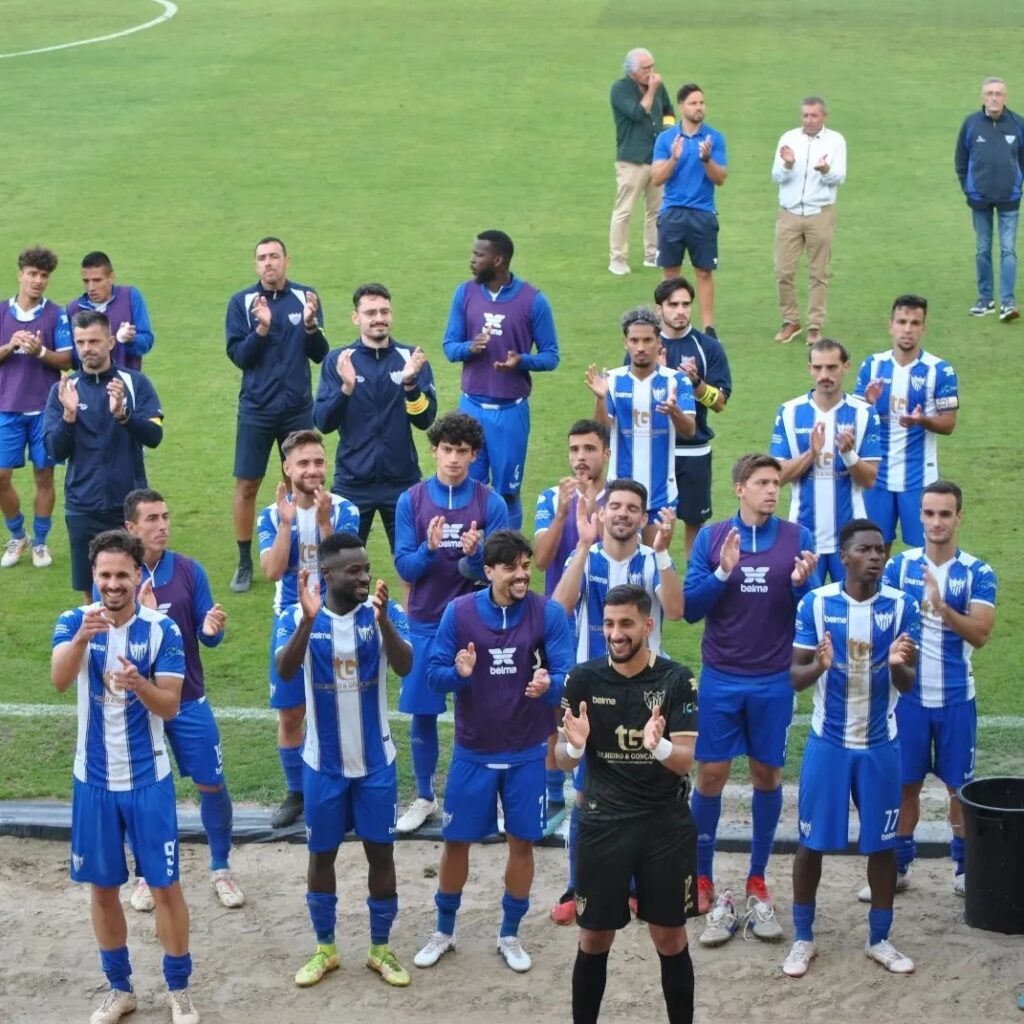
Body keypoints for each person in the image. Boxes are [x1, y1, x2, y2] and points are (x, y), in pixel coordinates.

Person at [51, 530, 199, 1024]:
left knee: (165, 887)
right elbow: (58, 678)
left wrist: (138, 683)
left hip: (147, 782)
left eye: (122, 575)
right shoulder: (74, 622)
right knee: (102, 889)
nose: (113, 585)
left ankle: (178, 991)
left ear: (139, 576)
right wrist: (81, 640)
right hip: (92, 781)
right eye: (105, 576)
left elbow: (172, 705)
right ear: (94, 577)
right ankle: (121, 989)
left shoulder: (163, 631)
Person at [414, 530, 574, 974]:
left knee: (522, 844)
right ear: (488, 572)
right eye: (511, 567)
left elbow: (568, 675)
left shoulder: (548, 614)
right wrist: (460, 673)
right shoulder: (460, 613)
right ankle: (444, 930)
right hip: (473, 752)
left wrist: (550, 687)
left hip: (526, 752)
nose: (522, 574)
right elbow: (433, 675)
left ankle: (510, 934)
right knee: (456, 843)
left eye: (526, 565)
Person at [683, 453, 817, 947]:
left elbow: (816, 610)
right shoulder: (713, 538)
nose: (771, 491)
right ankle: (702, 876)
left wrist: (805, 587)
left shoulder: (796, 539)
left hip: (773, 680)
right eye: (761, 482)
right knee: (711, 775)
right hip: (721, 677)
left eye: (775, 483)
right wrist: (722, 573)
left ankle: (757, 876)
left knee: (767, 775)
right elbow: (690, 609)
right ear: (739, 488)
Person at [274, 533, 414, 990]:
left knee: (381, 852)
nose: (364, 575)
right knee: (322, 854)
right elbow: (285, 670)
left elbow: (406, 666)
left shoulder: (381, 613)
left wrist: (386, 623)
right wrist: (306, 623)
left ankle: (379, 949)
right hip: (323, 764)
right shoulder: (299, 614)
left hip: (376, 763)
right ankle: (326, 949)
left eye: (366, 567)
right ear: (327, 574)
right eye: (353, 570)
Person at [784, 519, 921, 979]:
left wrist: (901, 665)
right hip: (830, 743)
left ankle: (879, 938)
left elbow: (907, 682)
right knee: (811, 844)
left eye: (881, 549)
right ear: (844, 557)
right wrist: (820, 666)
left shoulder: (902, 606)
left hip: (881, 744)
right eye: (866, 549)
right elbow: (795, 677)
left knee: (883, 845)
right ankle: (803, 938)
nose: (877, 557)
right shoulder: (817, 605)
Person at [558, 584, 699, 1024]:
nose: (616, 634)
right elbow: (558, 757)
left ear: (648, 625)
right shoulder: (582, 678)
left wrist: (657, 748)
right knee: (594, 940)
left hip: (665, 825)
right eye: (609, 624)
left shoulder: (676, 679)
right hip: (603, 824)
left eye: (626, 624)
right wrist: (576, 749)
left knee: (670, 938)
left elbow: (684, 762)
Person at [549, 479, 683, 926]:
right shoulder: (585, 558)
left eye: (632, 508)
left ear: (643, 518)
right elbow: (559, 608)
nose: (623, 514)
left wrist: (664, 552)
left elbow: (678, 610)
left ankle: (636, 884)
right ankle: (578, 884)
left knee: (647, 789)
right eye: (615, 506)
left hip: (649, 695)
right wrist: (584, 546)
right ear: (602, 514)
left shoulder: (652, 560)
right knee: (586, 792)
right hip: (593, 692)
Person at [856, 481, 997, 902]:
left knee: (960, 788)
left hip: (956, 698)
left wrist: (942, 608)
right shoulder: (899, 568)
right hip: (909, 701)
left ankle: (963, 867)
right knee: (905, 785)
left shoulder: (978, 572)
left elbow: (982, 633)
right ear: (919, 516)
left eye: (945, 514)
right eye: (930, 513)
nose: (937, 522)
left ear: (959, 517)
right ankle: (898, 866)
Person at [122, 488, 244, 913]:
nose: (162, 526)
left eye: (166, 517)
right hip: (136, 706)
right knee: (142, 791)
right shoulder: (119, 575)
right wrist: (140, 614)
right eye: (152, 518)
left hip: (188, 700)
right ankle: (145, 873)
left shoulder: (190, 572)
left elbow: (211, 634)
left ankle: (221, 867)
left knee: (211, 781)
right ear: (131, 528)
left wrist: (211, 628)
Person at [393, 411, 509, 833]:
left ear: (475, 455)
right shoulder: (412, 500)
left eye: (462, 451)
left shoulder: (490, 503)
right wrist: (428, 548)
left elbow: (502, 571)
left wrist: (477, 557)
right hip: (425, 622)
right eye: (447, 450)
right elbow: (405, 566)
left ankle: (487, 798)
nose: (454, 459)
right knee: (424, 713)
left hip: (475, 625)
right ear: (434, 451)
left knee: (485, 712)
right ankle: (424, 796)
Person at [257, 429, 359, 829]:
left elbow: (349, 571)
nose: (313, 470)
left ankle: (343, 787)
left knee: (341, 708)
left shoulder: (344, 508)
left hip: (339, 617)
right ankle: (297, 792)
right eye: (304, 463)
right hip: (291, 620)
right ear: (287, 467)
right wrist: (287, 525)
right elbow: (270, 571)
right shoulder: (271, 514)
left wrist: (325, 523)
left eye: (319, 461)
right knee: (290, 712)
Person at [225, 236, 329, 592]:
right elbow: (240, 357)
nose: (268, 263)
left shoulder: (306, 298)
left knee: (310, 481)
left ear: (287, 260)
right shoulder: (242, 303)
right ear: (256, 266)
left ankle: (316, 552)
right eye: (261, 258)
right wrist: (262, 328)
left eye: (274, 256)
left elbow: (319, 354)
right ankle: (244, 561)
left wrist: (312, 325)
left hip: (298, 409)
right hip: (256, 408)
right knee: (247, 483)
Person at [43, 310, 164, 602]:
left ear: (110, 342)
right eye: (80, 342)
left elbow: (154, 436)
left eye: (94, 341)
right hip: (83, 506)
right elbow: (53, 450)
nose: (87, 349)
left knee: (133, 585)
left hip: (127, 505)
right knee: (93, 594)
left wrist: (124, 415)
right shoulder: (63, 391)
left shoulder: (136, 384)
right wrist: (69, 416)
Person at [442, 229, 559, 529]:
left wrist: (522, 361)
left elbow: (551, 355)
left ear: (498, 260)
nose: (472, 260)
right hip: (471, 409)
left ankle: (510, 557)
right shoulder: (464, 293)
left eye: (478, 256)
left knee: (508, 492)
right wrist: (470, 348)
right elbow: (449, 347)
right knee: (469, 489)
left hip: (510, 413)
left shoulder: (534, 300)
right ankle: (470, 559)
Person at [314, 283, 437, 551]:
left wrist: (410, 385)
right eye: (370, 313)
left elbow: (425, 420)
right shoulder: (339, 360)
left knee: (412, 565)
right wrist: (345, 389)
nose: (379, 318)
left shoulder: (411, 358)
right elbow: (323, 422)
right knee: (343, 563)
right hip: (353, 482)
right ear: (356, 317)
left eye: (384, 311)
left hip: (403, 482)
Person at [533, 419, 610, 813]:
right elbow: (541, 559)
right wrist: (563, 515)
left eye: (589, 449)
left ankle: (596, 787)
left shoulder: (621, 499)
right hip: (558, 622)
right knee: (554, 711)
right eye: (575, 449)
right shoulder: (551, 499)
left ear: (606, 454)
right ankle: (552, 794)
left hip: (605, 624)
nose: (581, 457)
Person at [854, 295, 959, 555]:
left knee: (925, 551)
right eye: (902, 321)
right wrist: (867, 404)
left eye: (915, 322)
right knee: (873, 550)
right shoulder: (872, 365)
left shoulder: (939, 370)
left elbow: (948, 424)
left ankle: (924, 597)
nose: (908, 329)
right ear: (891, 325)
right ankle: (875, 597)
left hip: (919, 477)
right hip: (876, 477)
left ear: (924, 328)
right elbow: (855, 424)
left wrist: (921, 420)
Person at [771, 339, 881, 584]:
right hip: (804, 536)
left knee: (855, 608)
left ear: (846, 367)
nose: (824, 375)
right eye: (818, 368)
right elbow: (776, 476)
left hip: (852, 538)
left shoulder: (864, 414)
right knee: (805, 610)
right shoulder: (788, 412)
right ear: (810, 368)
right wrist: (811, 453)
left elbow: (870, 479)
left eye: (832, 367)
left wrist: (849, 455)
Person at [585, 307, 695, 542]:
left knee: (656, 561)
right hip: (619, 493)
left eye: (647, 340)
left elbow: (689, 430)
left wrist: (675, 411)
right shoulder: (612, 380)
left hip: (661, 495)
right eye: (634, 340)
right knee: (617, 562)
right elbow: (602, 431)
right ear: (626, 342)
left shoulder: (677, 381)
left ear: (658, 341)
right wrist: (601, 398)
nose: (641, 347)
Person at [0, 246, 71, 570]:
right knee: (1, 477)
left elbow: (68, 358)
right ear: (20, 275)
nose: (38, 281)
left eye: (44, 276)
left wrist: (40, 350)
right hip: (6, 409)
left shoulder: (57, 314)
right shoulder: (1, 312)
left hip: (44, 409)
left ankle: (40, 542)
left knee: (44, 475)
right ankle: (18, 535)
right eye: (33, 274)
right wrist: (10, 346)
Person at [653, 276, 732, 554]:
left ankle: (691, 589)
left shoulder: (707, 347)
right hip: (656, 447)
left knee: (694, 525)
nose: (681, 310)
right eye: (673, 304)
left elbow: (720, 402)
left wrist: (697, 384)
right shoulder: (645, 345)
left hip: (694, 451)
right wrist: (657, 375)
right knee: (651, 523)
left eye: (686, 304)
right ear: (659, 308)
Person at [651, 84, 727, 335]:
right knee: (671, 272)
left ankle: (708, 328)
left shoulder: (714, 138)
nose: (699, 107)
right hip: (673, 213)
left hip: (703, 214)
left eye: (702, 103)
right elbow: (657, 178)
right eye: (694, 103)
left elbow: (720, 178)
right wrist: (674, 158)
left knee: (704, 272)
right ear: (682, 107)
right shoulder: (666, 139)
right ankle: (667, 323)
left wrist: (707, 160)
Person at [771, 98, 848, 345]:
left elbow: (839, 177)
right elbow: (776, 175)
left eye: (814, 116)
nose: (809, 120)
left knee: (819, 272)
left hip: (819, 213)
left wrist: (825, 170)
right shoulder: (788, 138)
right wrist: (788, 164)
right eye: (805, 115)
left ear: (824, 116)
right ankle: (790, 320)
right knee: (783, 270)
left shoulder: (835, 141)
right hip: (789, 213)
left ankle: (815, 325)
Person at [955, 77, 1024, 322]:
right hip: (979, 199)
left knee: (1008, 251)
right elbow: (961, 160)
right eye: (989, 93)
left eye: (998, 93)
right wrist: (968, 188)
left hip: (1009, 199)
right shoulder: (971, 124)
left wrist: (1017, 185)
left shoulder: (1018, 124)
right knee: (983, 250)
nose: (994, 98)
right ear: (983, 96)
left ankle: (1008, 302)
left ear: (1005, 97)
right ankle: (986, 299)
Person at [608, 48, 676, 275]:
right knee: (624, 211)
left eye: (652, 66)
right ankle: (617, 259)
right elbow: (638, 112)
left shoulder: (658, 86)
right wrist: (653, 89)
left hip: (657, 158)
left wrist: (668, 132)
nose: (651, 72)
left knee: (657, 211)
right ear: (632, 71)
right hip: (632, 160)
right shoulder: (620, 90)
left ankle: (653, 254)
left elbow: (668, 110)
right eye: (645, 68)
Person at [65, 251, 155, 369]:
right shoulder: (73, 309)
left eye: (97, 280)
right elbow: (72, 357)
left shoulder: (130, 296)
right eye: (86, 281)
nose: (91, 287)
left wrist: (131, 340)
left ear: (111, 278)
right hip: (90, 385)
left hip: (126, 383)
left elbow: (146, 341)